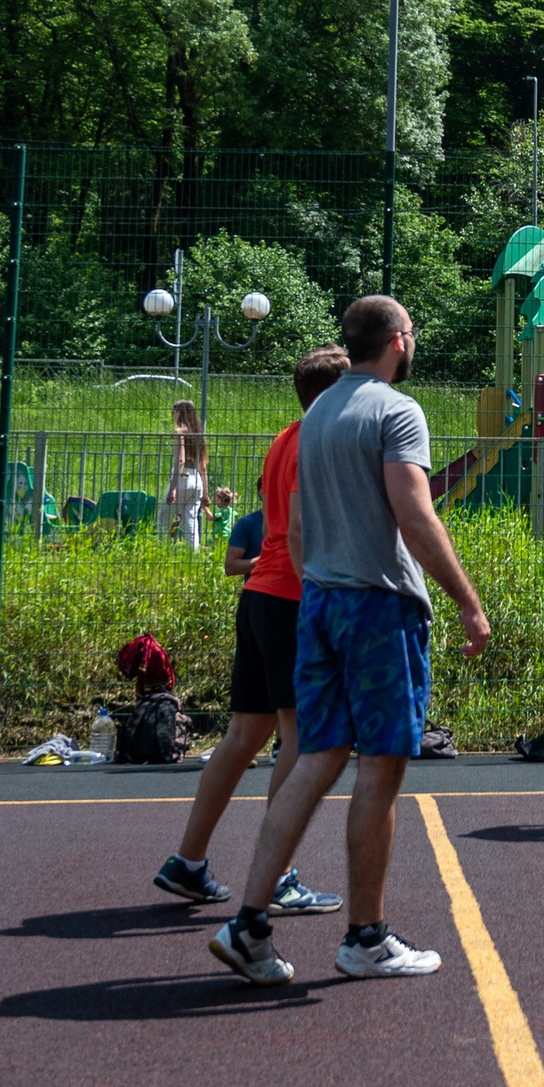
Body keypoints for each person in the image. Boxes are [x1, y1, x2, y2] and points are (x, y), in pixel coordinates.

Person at [209, 298, 491, 987]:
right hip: (377, 605)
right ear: (399, 339)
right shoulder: (397, 410)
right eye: (414, 332)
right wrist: (468, 600)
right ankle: (365, 936)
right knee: (382, 764)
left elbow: (298, 528)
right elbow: (415, 512)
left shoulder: (318, 415)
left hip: (322, 602)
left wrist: (322, 589)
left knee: (315, 757)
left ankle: (248, 922)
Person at [156, 345, 351, 916]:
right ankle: (281, 876)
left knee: (244, 735)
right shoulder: (317, 440)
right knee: (299, 739)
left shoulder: (285, 437)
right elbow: (297, 532)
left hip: (261, 597)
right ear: (336, 392)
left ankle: (188, 861)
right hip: (294, 598)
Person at [163, 399, 209, 550]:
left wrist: (173, 489)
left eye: (173, 411)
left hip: (182, 479)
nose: (172, 415)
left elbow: (180, 460)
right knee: (191, 522)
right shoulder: (198, 434)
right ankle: (193, 557)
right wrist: (205, 494)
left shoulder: (179, 432)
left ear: (179, 413)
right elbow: (203, 467)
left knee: (163, 518)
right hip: (197, 481)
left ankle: (161, 551)